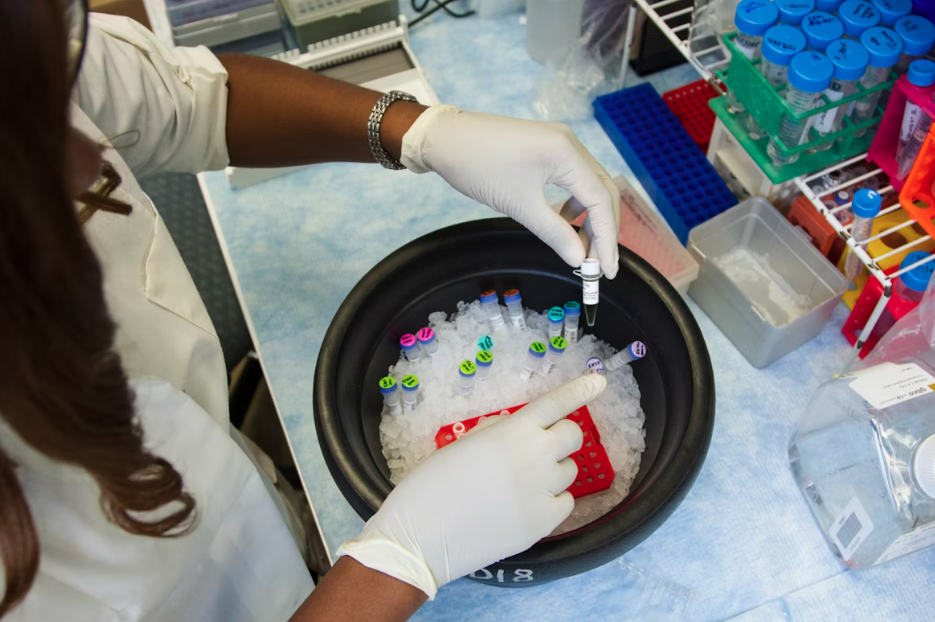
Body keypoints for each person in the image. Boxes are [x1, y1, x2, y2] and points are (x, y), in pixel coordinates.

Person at [0, 1, 620, 620]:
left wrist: (422, 132)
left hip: (231, 494)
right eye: (23, 151)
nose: (94, 163)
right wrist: (399, 563)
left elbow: (190, 101)